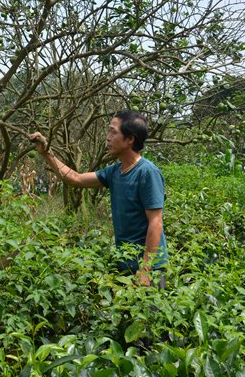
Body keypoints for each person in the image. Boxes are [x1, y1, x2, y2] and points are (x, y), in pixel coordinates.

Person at [29, 111, 168, 286]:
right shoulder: (114, 171)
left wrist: (145, 269)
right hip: (125, 265)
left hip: (150, 269)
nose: (108, 138)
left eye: (113, 132)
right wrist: (46, 152)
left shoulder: (147, 172)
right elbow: (76, 178)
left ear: (130, 139)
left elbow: (155, 222)